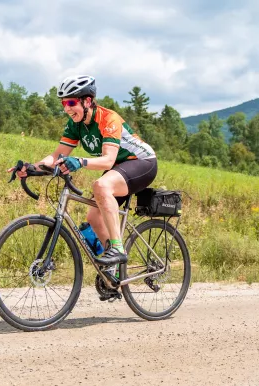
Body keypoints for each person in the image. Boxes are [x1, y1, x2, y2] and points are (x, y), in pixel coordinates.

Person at [8, 75, 157, 271]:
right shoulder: (75, 125)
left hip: (141, 163)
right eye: (63, 103)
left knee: (101, 186)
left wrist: (79, 161)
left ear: (87, 101)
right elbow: (56, 156)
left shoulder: (108, 119)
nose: (66, 109)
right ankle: (112, 270)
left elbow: (108, 160)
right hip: (117, 169)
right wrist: (31, 168)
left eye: (71, 102)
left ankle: (118, 249)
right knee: (93, 217)